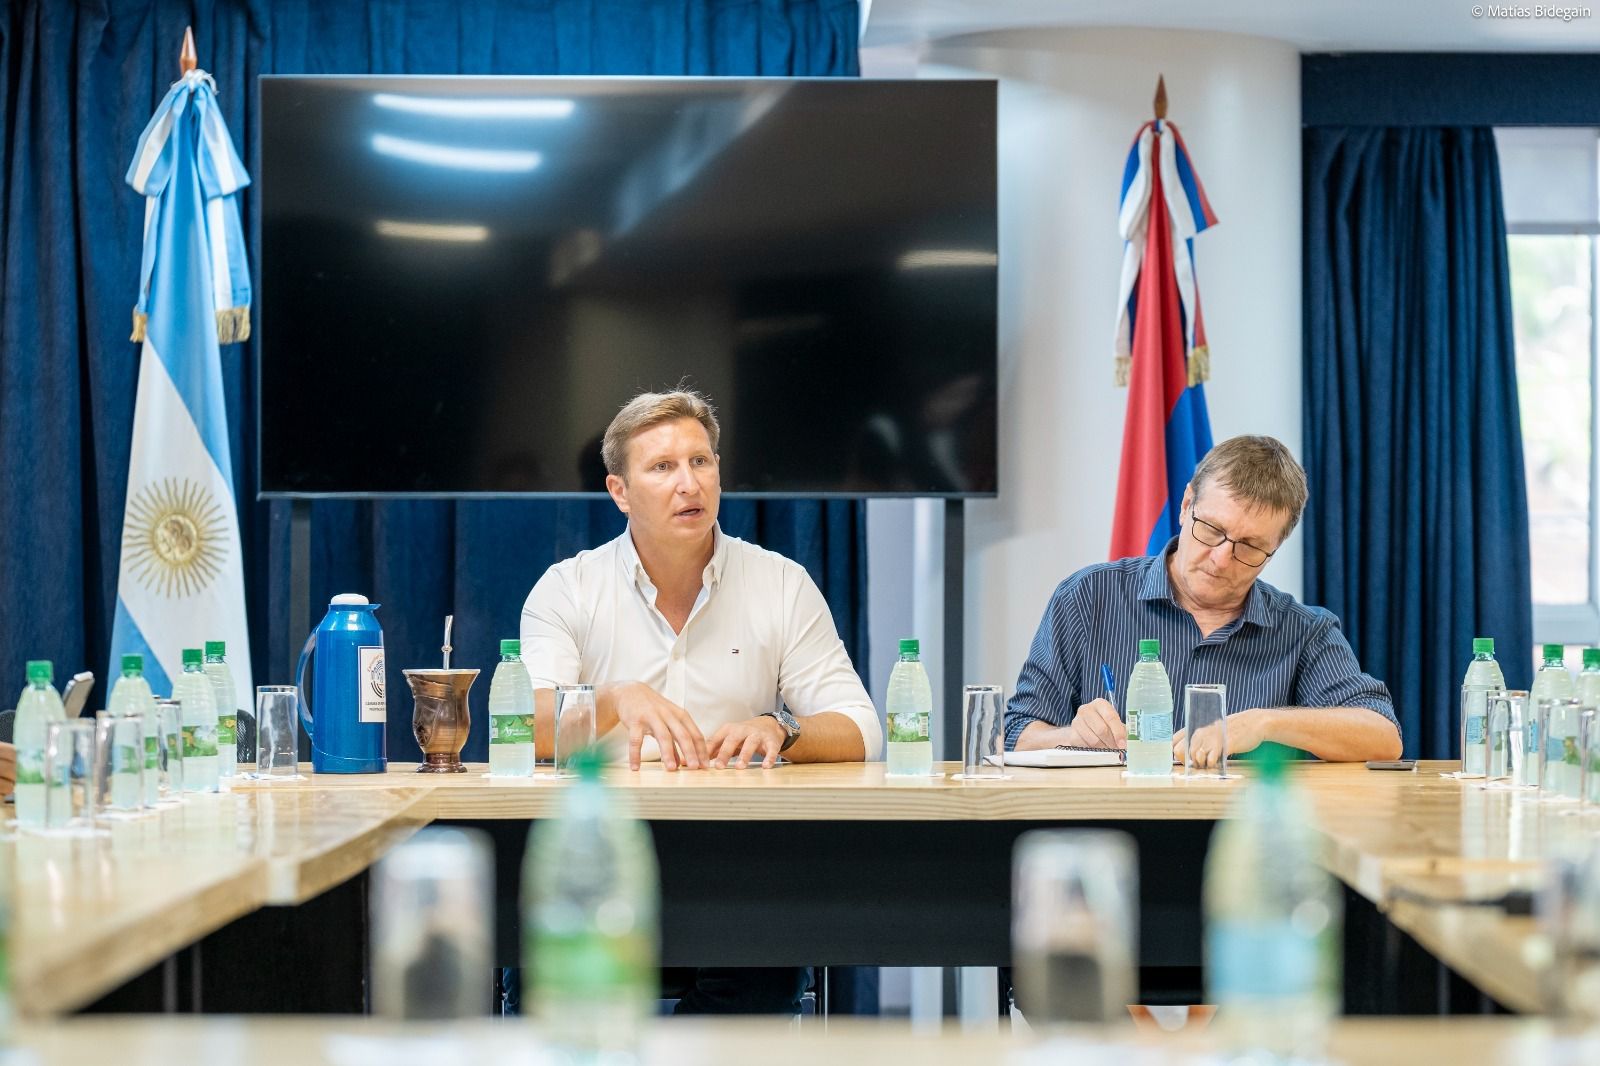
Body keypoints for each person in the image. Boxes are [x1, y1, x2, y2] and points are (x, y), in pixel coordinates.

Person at [519, 388, 880, 1015]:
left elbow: (862, 729)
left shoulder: (781, 583)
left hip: (740, 865)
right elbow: (525, 729)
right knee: (540, 978)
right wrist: (615, 699)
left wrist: (782, 728)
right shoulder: (568, 588)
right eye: (662, 467)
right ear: (619, 492)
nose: (689, 483)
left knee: (759, 978)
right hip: (598, 855)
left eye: (700, 462)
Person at [1007, 435, 1402, 766]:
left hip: (1238, 829)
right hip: (1108, 822)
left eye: (1250, 546)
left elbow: (1383, 736)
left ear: (1274, 550)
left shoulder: (1304, 631)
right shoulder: (1088, 597)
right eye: (1212, 529)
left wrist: (1263, 723)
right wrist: (1071, 736)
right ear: (1186, 505)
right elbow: (1015, 734)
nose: (1221, 559)